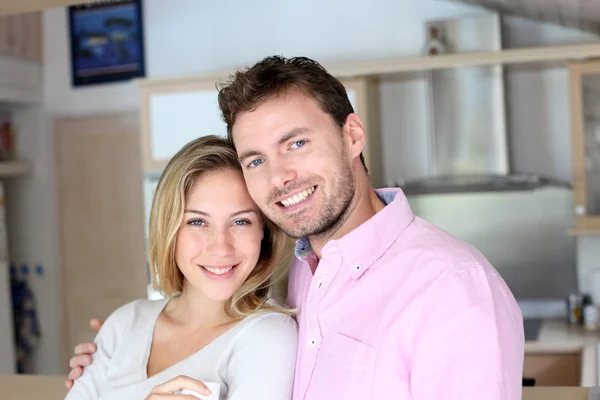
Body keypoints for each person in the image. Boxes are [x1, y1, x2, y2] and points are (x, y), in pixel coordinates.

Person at [67, 56, 525, 400]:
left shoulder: (454, 290)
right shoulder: (304, 274)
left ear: (352, 136)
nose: (280, 176)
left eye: (297, 143)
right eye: (257, 160)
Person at [64, 135, 298, 399]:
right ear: (169, 229)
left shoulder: (267, 336)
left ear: (264, 231)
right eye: (197, 222)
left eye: (241, 222)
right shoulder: (125, 323)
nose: (220, 247)